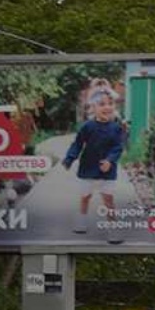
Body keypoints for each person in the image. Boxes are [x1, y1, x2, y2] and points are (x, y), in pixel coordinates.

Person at [61, 85, 128, 233]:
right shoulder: (87, 127)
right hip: (88, 168)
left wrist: (110, 160)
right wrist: (69, 158)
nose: (107, 107)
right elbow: (77, 144)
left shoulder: (116, 128)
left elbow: (117, 147)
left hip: (107, 170)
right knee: (85, 197)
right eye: (102, 104)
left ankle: (113, 228)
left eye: (110, 103)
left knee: (108, 199)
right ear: (93, 107)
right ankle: (82, 222)